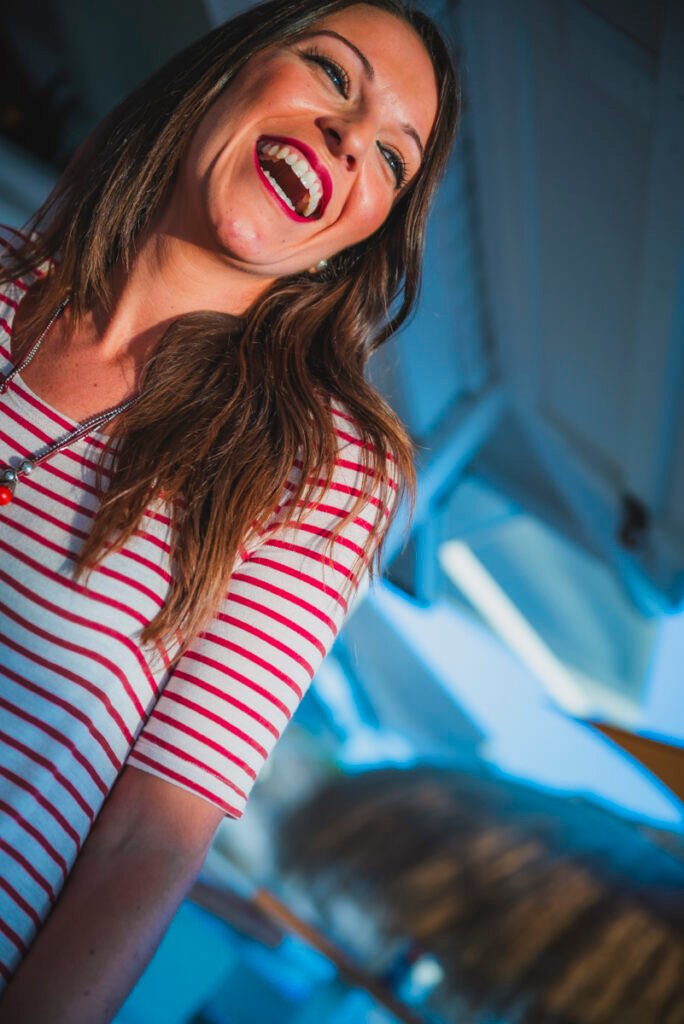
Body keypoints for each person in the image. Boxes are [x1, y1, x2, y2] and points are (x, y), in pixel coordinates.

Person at [0, 0, 458, 1019]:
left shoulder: (323, 470)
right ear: (221, 75)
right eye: (334, 75)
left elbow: (151, 841)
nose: (351, 137)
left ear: (354, 239)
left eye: (393, 157)